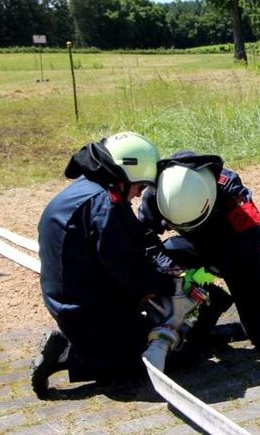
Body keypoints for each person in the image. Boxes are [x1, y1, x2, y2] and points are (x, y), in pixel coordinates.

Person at [32, 132, 181, 398]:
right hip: (86, 310)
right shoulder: (108, 207)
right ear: (129, 173)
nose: (139, 194)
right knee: (169, 354)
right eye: (140, 186)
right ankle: (68, 353)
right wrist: (167, 284)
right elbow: (129, 269)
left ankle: (81, 343)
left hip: (68, 297)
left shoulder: (88, 186)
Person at [138, 151, 260, 351]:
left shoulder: (229, 188)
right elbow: (143, 237)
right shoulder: (158, 192)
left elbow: (257, 236)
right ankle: (208, 304)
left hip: (237, 253)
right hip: (194, 247)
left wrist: (222, 265)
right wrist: (171, 270)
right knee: (159, 262)